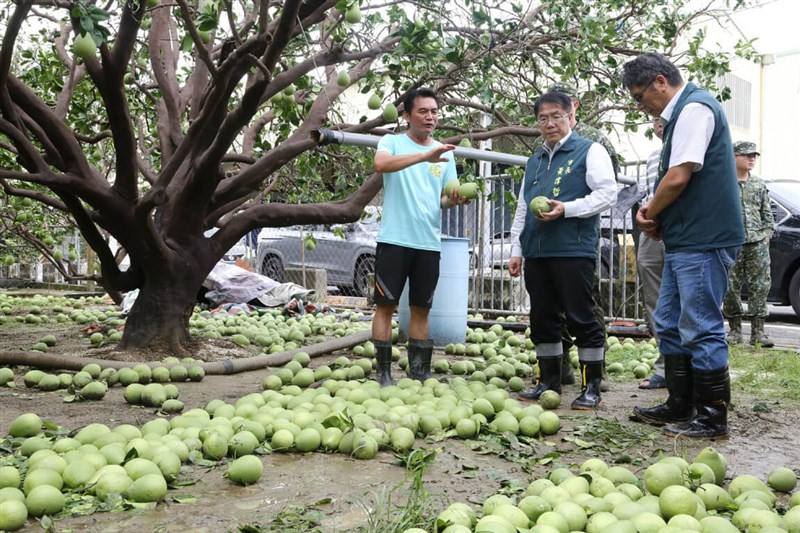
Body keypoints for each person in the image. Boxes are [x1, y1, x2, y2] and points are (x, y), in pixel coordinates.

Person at [623, 53, 744, 438]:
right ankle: (680, 403)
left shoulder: (694, 109)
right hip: (685, 237)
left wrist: (649, 212)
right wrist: (665, 221)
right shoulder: (679, 117)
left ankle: (711, 416)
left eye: (641, 97)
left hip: (704, 239)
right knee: (669, 320)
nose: (641, 107)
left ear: (661, 82)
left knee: (700, 325)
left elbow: (677, 178)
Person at [508, 91, 617, 409]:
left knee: (581, 317)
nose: (550, 123)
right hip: (537, 252)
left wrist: (566, 209)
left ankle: (591, 385)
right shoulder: (535, 160)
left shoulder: (589, 151)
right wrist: (516, 248)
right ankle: (547, 381)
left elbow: (607, 193)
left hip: (572, 248)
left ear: (572, 116)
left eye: (557, 116)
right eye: (543, 117)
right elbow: (522, 207)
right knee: (542, 318)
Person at [371, 87, 465, 386]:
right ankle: (383, 373)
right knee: (385, 306)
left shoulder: (445, 155)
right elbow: (381, 165)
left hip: (428, 243)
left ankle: (419, 373)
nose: (430, 117)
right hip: (394, 240)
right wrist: (425, 156)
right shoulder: (392, 142)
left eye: (434, 111)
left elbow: (444, 198)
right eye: (423, 111)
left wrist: (456, 199)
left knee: (421, 309)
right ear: (408, 115)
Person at [543, 83, 620, 386]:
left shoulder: (594, 140)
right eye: (545, 114)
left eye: (561, 110)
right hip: (548, 234)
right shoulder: (548, 135)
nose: (551, 120)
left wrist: (572, 206)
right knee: (551, 304)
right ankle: (559, 365)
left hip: (578, 230)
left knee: (586, 304)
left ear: (574, 106)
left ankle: (595, 371)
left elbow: (607, 184)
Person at [723, 141, 775, 347]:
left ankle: (758, 333)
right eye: (746, 155)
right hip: (731, 242)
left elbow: (767, 213)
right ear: (734, 157)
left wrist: (766, 234)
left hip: (757, 243)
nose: (751, 159)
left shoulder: (759, 185)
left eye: (754, 155)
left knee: (760, 286)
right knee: (730, 286)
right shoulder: (724, 183)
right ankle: (735, 332)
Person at [638, 117, 667, 389]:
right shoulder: (653, 156)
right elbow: (647, 194)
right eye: (655, 118)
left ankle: (694, 370)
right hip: (651, 232)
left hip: (681, 230)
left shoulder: (694, 151)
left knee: (687, 301)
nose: (659, 122)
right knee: (655, 301)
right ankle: (665, 367)